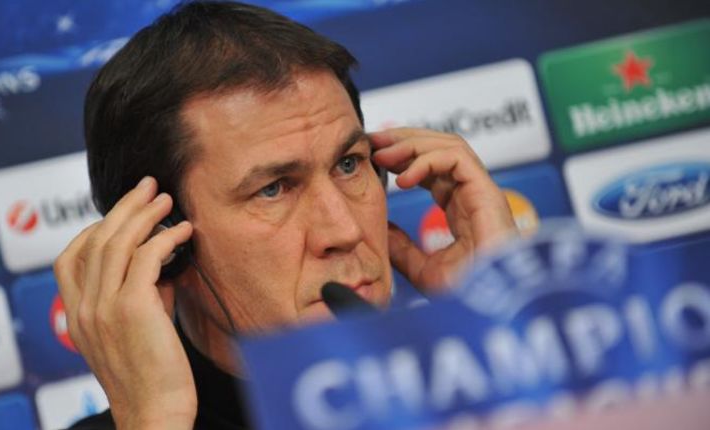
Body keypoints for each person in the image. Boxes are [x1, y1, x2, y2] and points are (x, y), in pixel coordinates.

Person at [53, 1, 518, 428]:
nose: (345, 229)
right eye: (272, 189)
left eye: (349, 164)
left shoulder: (479, 387)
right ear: (163, 243)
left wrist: (510, 336)